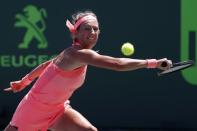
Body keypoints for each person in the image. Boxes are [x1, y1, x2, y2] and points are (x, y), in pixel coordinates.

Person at [4, 10, 172, 131]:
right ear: (75, 33)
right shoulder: (77, 55)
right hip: (32, 112)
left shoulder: (69, 53)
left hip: (57, 109)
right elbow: (117, 64)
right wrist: (153, 63)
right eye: (87, 28)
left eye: (96, 29)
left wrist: (23, 81)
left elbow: (45, 65)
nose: (92, 32)